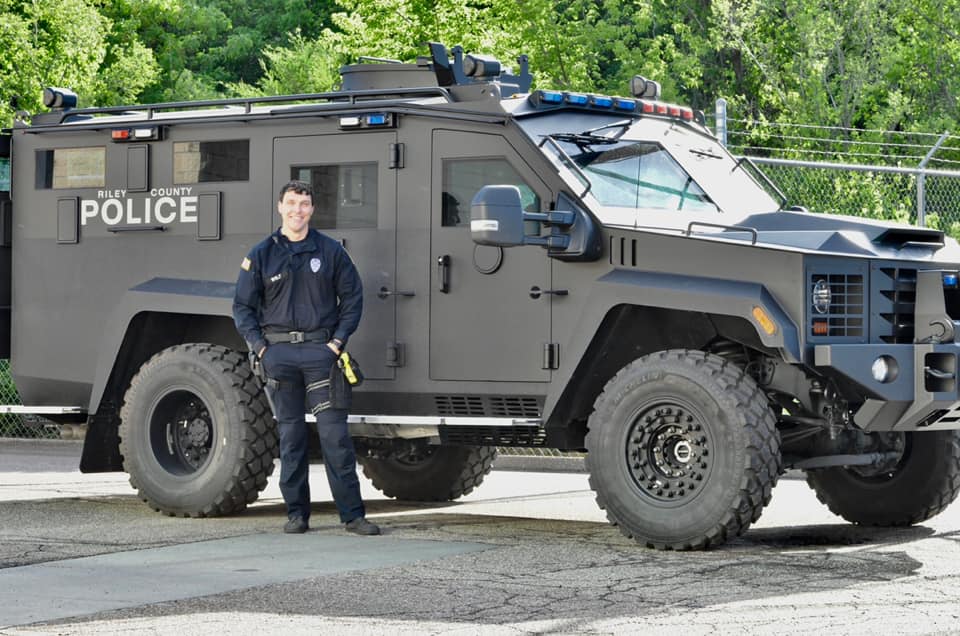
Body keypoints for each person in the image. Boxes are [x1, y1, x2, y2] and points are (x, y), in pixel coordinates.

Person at [232, 180, 380, 536]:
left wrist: (338, 342)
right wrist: (260, 348)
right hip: (278, 356)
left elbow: (353, 298)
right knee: (291, 438)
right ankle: (297, 514)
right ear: (280, 207)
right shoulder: (261, 254)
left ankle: (353, 517)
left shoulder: (330, 252)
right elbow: (242, 306)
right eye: (292, 203)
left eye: (304, 204)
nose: (297, 210)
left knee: (335, 438)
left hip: (321, 354)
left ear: (312, 210)